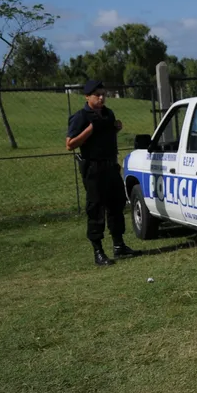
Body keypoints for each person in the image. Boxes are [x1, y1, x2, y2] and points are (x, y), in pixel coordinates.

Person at [66, 79, 136, 266]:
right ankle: (98, 251)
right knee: (96, 208)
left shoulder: (108, 114)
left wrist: (116, 128)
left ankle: (119, 245)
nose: (101, 97)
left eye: (104, 94)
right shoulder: (81, 116)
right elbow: (70, 144)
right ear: (87, 96)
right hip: (93, 169)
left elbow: (106, 136)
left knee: (116, 204)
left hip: (111, 166)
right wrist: (89, 129)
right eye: (97, 94)